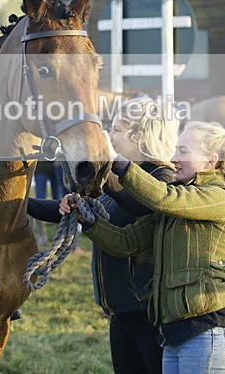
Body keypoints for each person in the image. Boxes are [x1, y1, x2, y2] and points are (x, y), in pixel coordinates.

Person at [62, 120, 225, 373]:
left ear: (209, 161)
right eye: (175, 150)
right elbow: (126, 242)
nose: (173, 158)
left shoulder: (220, 197)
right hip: (173, 335)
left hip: (206, 334)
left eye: (183, 151)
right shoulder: (178, 199)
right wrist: (88, 221)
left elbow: (163, 198)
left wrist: (116, 160)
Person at [29, 98, 178, 373]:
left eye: (117, 130)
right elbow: (81, 210)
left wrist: (111, 172)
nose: (109, 136)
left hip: (149, 314)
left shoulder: (163, 180)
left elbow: (142, 206)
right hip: (121, 311)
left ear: (141, 136)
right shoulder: (118, 178)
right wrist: (18, 204)